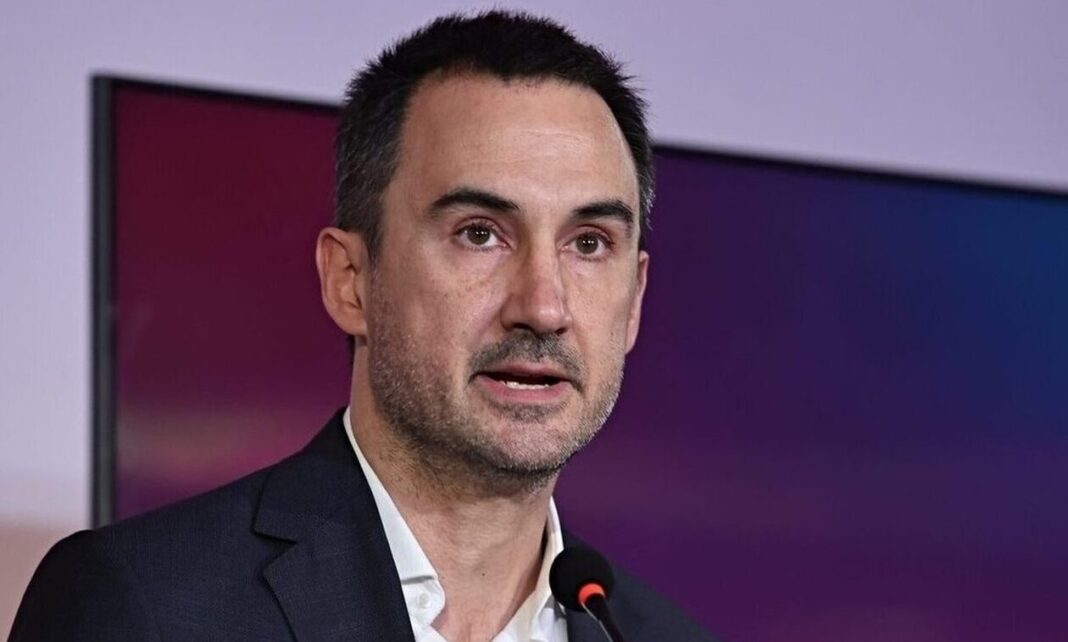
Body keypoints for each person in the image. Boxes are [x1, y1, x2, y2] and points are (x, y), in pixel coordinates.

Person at [11, 11, 713, 641]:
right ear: (350, 280)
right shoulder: (143, 606)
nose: (544, 306)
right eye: (479, 233)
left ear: (635, 299)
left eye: (588, 243)